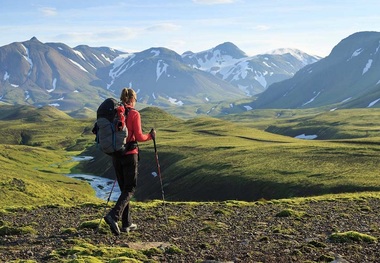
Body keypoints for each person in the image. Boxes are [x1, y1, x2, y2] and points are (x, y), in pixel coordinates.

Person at [104, 87, 156, 235]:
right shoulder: (134, 114)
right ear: (132, 99)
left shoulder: (114, 113)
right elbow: (139, 136)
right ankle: (113, 215)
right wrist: (150, 136)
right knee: (130, 188)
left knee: (124, 190)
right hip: (130, 154)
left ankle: (126, 223)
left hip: (116, 155)